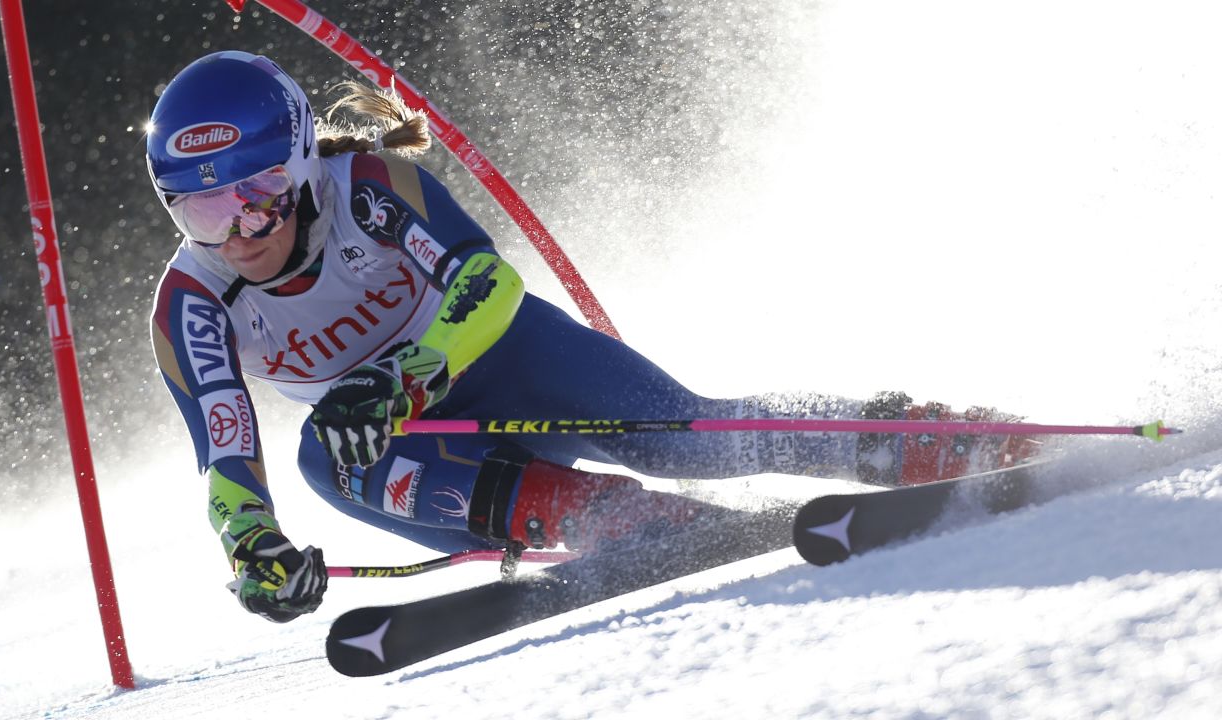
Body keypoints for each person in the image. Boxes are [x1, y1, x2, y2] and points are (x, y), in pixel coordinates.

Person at [147, 51, 1036, 623]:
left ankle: (915, 438)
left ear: (302, 162)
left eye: (254, 192)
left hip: (500, 357)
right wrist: (253, 549)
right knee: (323, 458)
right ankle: (613, 521)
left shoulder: (367, 185)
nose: (237, 230)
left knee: (683, 435)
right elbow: (226, 459)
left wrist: (406, 376)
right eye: (198, 206)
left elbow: (484, 282)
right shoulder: (192, 304)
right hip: (415, 442)